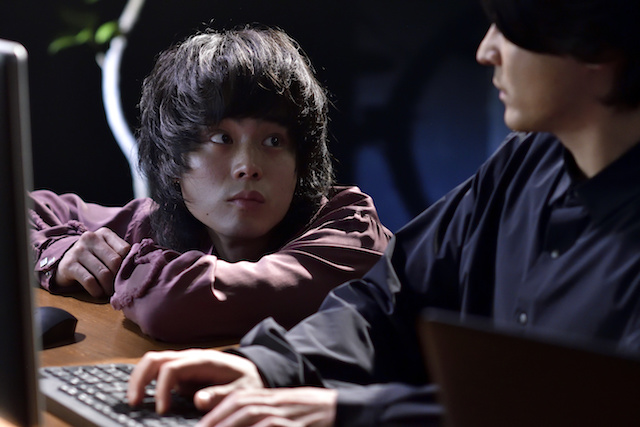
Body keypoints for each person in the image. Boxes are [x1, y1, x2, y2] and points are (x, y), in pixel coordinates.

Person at [126, 0, 640, 425]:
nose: (486, 51)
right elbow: (388, 299)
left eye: (508, 29)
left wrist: (346, 411)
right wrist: (268, 367)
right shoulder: (524, 165)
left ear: (593, 42)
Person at [29, 26, 391, 343]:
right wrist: (62, 251)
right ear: (173, 161)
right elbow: (19, 212)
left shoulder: (351, 236)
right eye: (222, 138)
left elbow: (173, 303)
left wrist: (119, 264)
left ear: (300, 163)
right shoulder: (169, 221)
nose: (248, 167)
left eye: (274, 141)